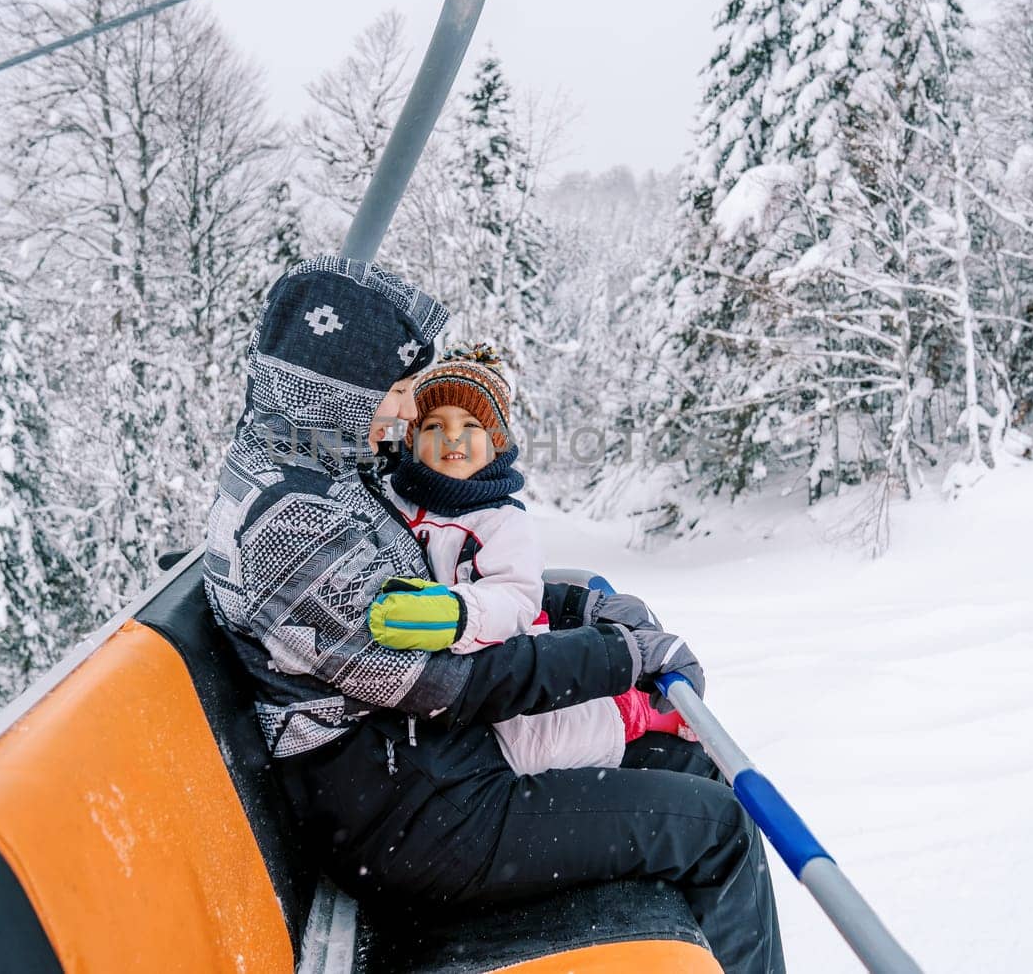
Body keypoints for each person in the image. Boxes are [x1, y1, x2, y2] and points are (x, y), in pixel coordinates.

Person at [204, 256, 785, 973]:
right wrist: (622, 658)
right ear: (337, 388)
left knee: (696, 769)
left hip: (433, 769)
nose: (400, 415)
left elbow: (451, 575)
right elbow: (447, 679)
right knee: (719, 827)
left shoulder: (325, 472)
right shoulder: (289, 526)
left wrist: (579, 605)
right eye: (391, 393)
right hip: (419, 818)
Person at [368, 343, 694, 775]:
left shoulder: (502, 522)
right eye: (434, 426)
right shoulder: (396, 502)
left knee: (541, 744)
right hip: (442, 685)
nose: (452, 437)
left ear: (496, 441)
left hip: (495, 670)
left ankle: (642, 713)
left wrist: (459, 613)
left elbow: (516, 598)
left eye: (470, 424)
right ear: (411, 439)